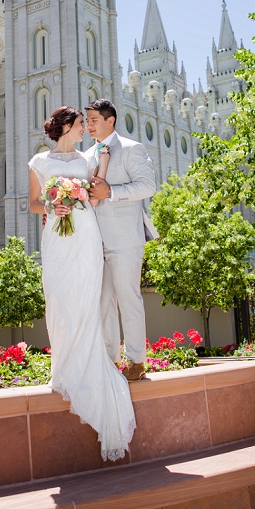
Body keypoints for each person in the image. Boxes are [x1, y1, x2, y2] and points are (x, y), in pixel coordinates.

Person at [29, 106, 136, 461]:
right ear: (64, 127)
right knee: (59, 297)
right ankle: (63, 365)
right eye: (79, 125)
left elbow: (92, 195)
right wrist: (51, 205)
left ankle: (88, 363)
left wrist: (101, 167)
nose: (83, 130)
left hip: (85, 233)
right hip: (57, 236)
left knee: (86, 299)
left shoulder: (87, 159)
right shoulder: (39, 163)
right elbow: (33, 202)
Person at [84, 99, 158, 381]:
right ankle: (110, 360)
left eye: (93, 120)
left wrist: (111, 192)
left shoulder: (131, 148)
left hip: (126, 239)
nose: (89, 125)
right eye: (87, 121)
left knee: (128, 298)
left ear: (110, 120)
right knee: (102, 301)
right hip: (94, 241)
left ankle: (137, 361)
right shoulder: (87, 154)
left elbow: (148, 186)